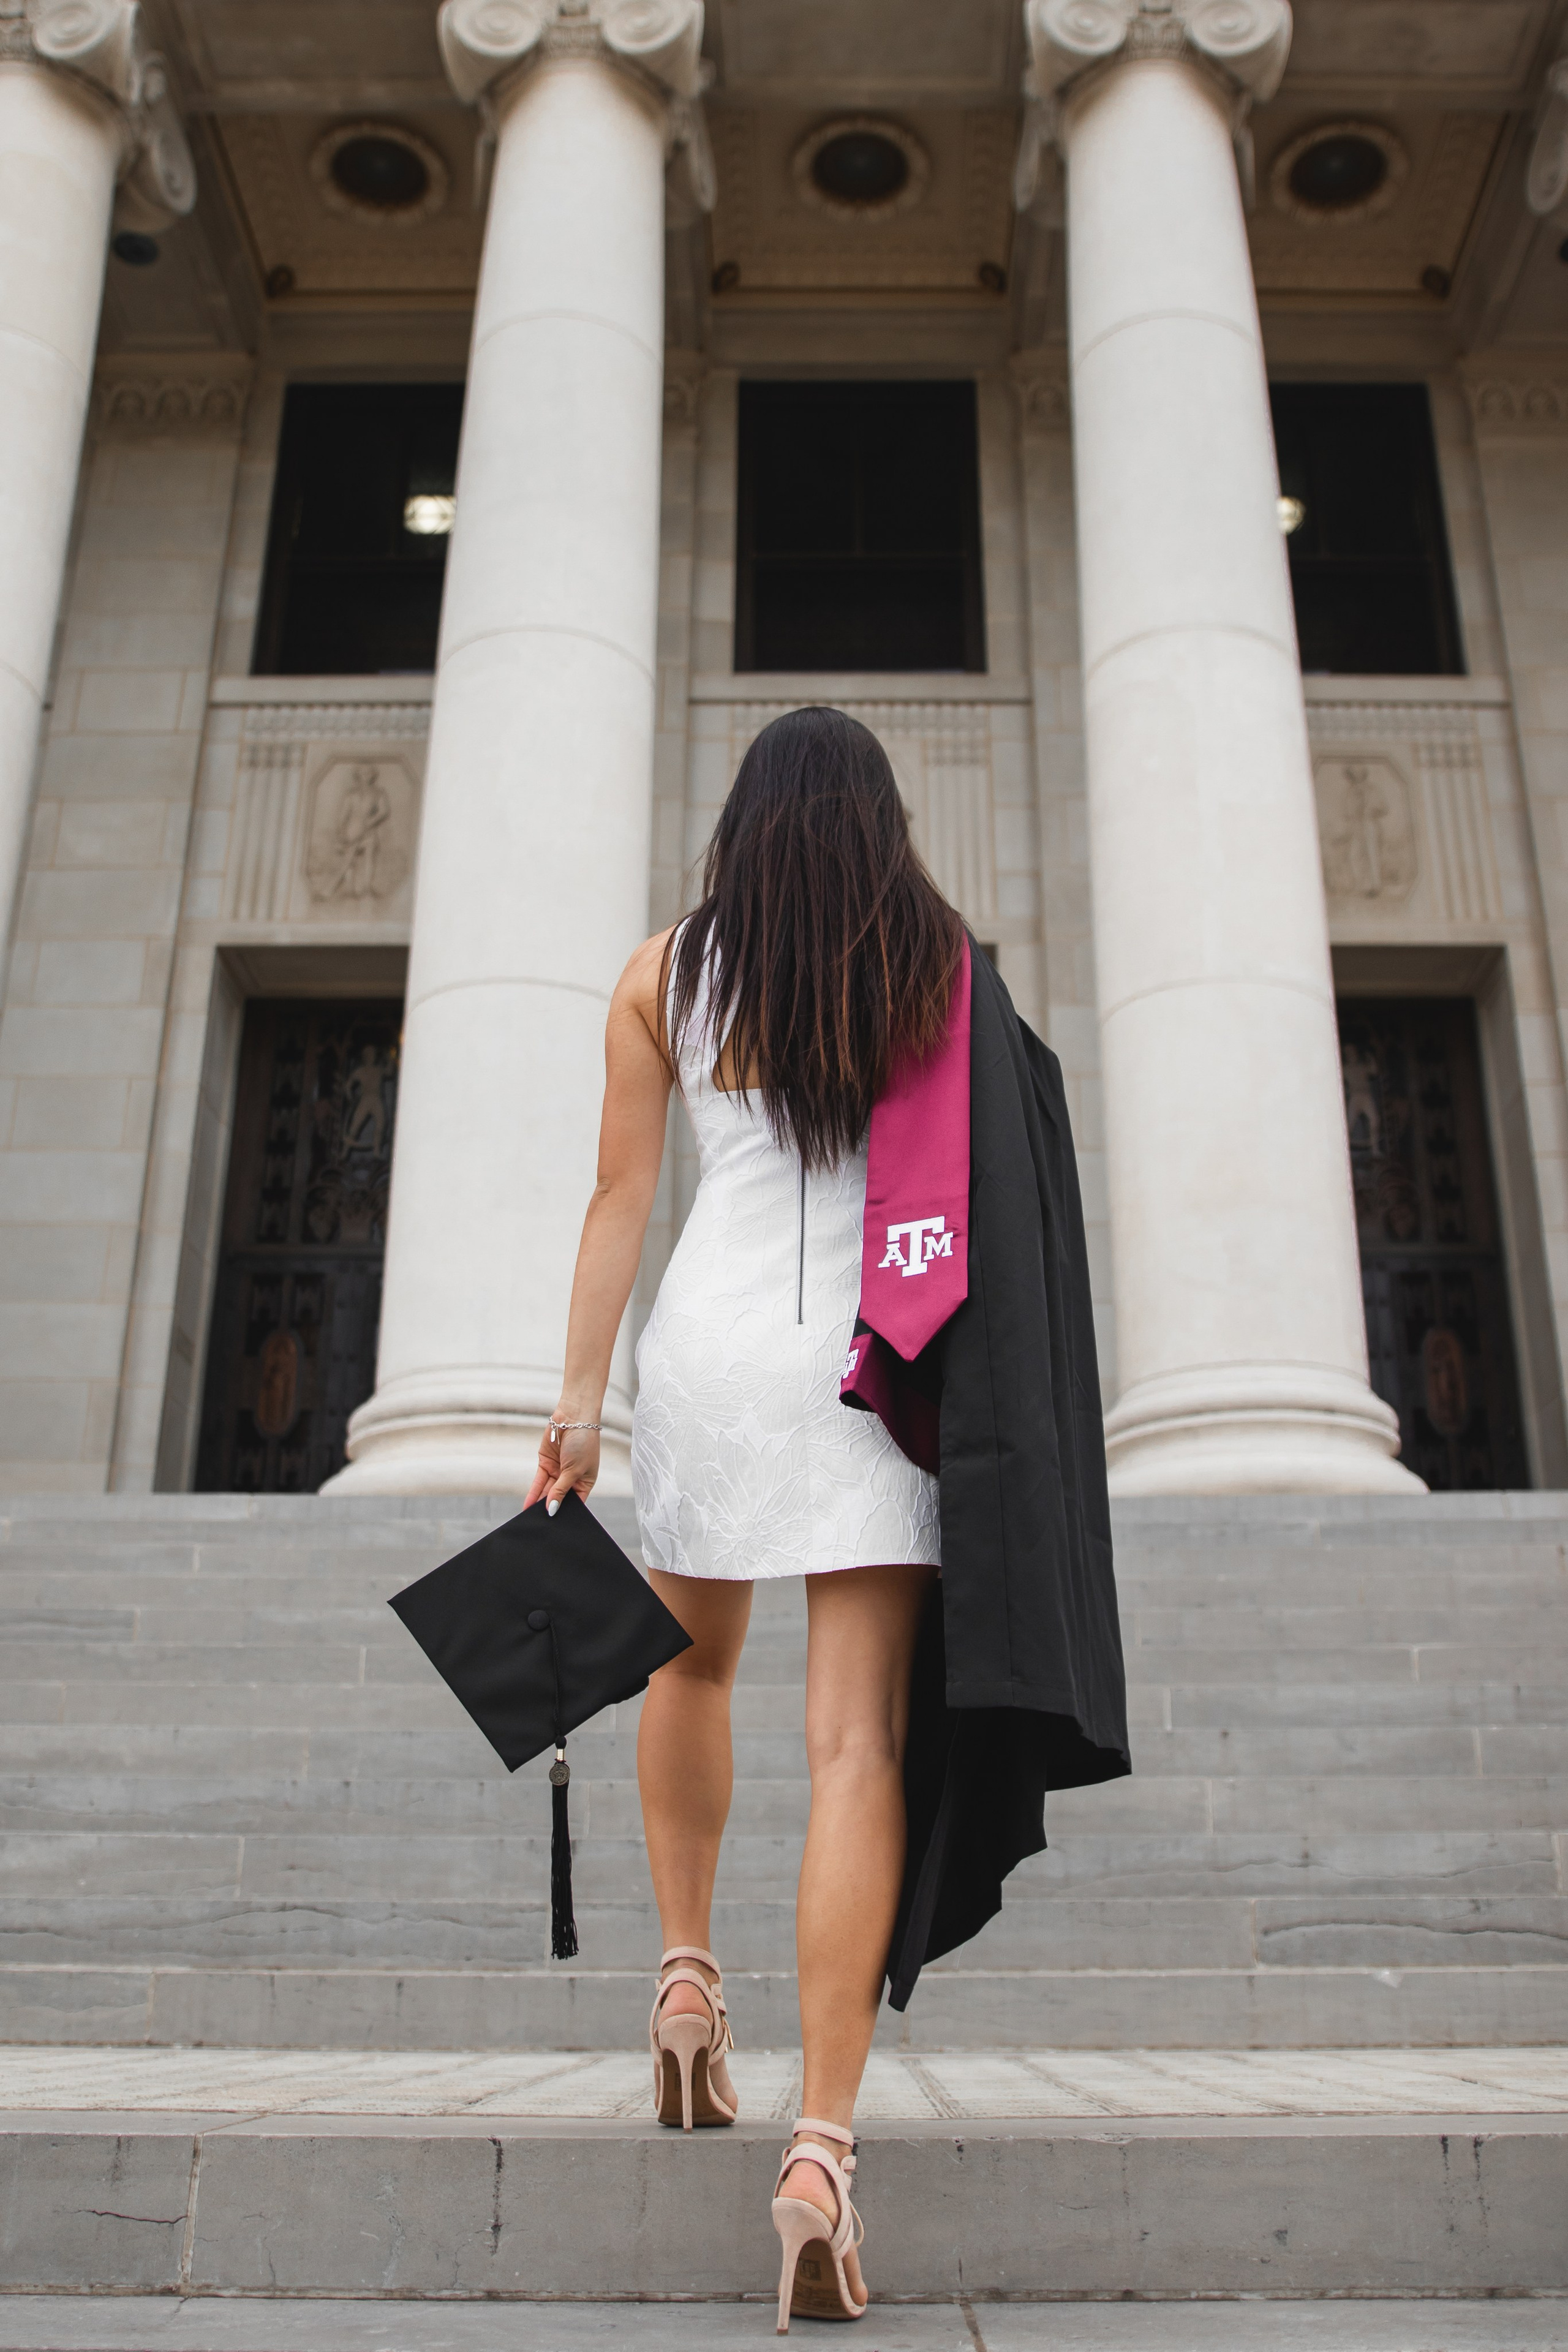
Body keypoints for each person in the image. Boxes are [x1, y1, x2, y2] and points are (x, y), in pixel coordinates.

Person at [527, 705, 1127, 2328]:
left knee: (684, 1667)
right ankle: (817, 2154)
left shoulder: (663, 973)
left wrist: (578, 1410)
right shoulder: (926, 965)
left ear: (743, 819)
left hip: (708, 1356)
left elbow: (620, 1200)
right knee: (854, 1737)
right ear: (873, 821)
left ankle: (680, 1983)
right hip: (874, 1356)